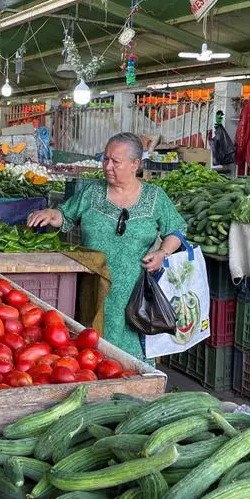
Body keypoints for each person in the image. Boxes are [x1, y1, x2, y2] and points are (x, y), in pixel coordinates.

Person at [27, 132, 186, 361]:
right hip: (92, 286)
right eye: (105, 159)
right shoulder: (91, 193)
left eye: (116, 162)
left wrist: (163, 252)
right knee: (90, 352)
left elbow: (176, 231)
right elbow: (65, 216)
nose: (108, 166)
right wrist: (50, 214)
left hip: (135, 293)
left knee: (130, 360)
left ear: (135, 165)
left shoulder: (155, 197)